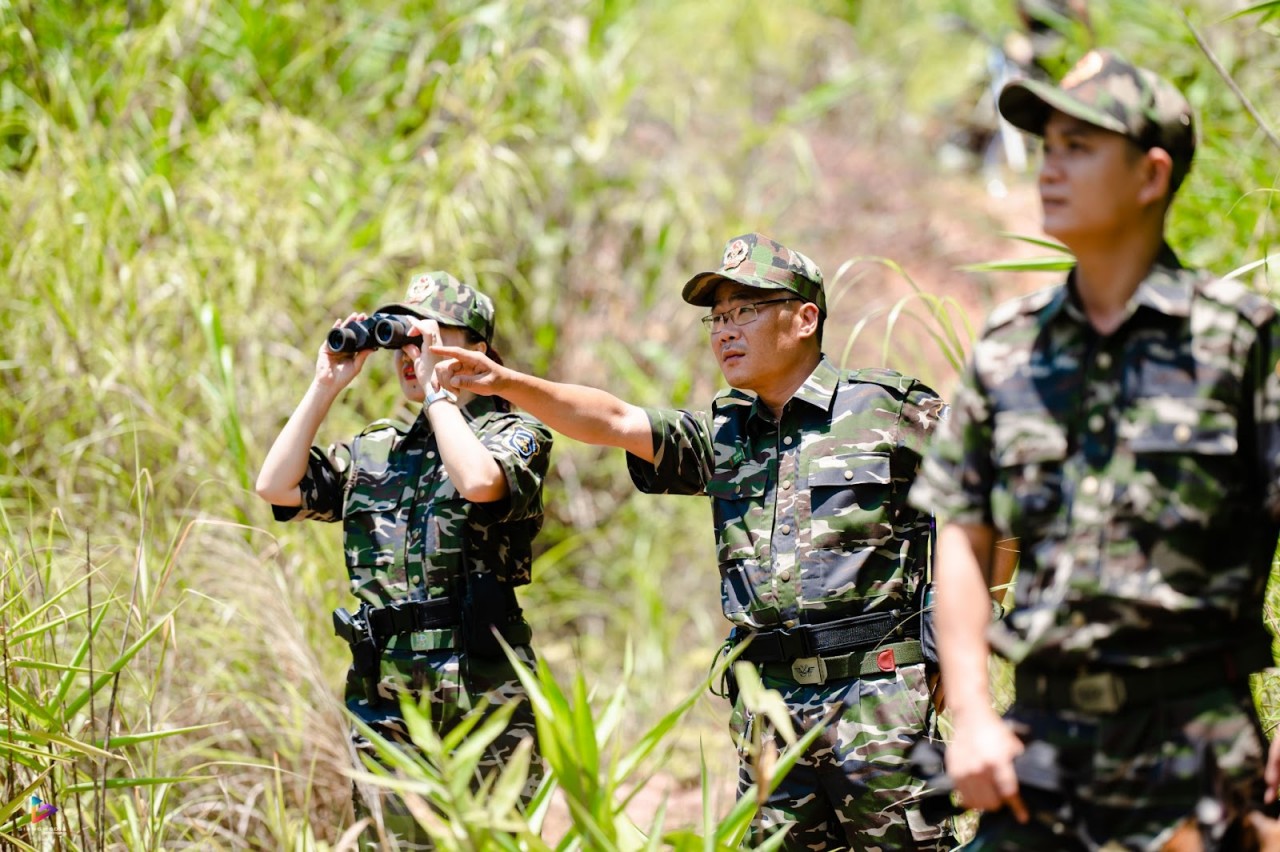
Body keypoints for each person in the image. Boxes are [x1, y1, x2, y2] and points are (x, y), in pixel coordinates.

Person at [428, 233, 954, 850]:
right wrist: (505, 382)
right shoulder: (724, 434)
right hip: (770, 711)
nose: (725, 331)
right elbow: (617, 420)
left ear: (806, 317)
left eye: (745, 312)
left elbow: (991, 513)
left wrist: (955, 639)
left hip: (879, 697)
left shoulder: (888, 409)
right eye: (718, 318)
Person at [909, 49, 1280, 850]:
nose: (1051, 167)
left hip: (1198, 753)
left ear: (1151, 177)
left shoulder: (1241, 340)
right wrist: (971, 713)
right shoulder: (1008, 350)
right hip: (1040, 749)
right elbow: (965, 537)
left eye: (1080, 146)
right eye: (1048, 147)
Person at [255, 272, 552, 849]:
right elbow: (276, 487)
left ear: (478, 351)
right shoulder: (375, 447)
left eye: (431, 337)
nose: (410, 354)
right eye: (405, 339)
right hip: (386, 691)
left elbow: (479, 481)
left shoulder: (516, 430)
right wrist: (325, 386)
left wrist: (441, 394)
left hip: (481, 685)